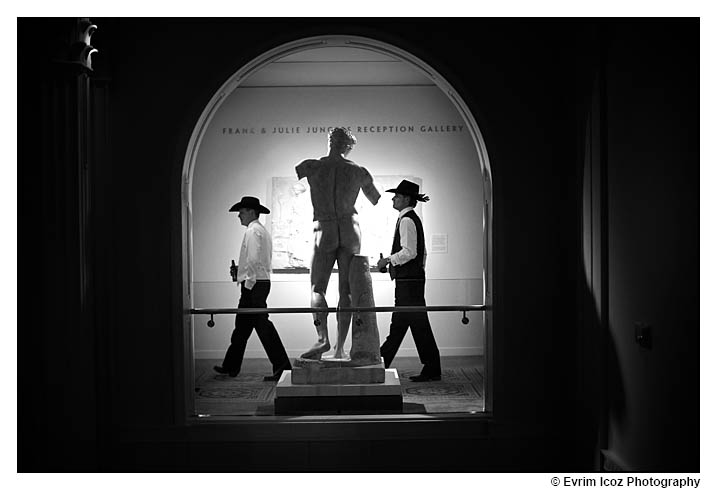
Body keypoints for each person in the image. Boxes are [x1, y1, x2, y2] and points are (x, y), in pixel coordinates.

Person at [295, 127, 381, 360]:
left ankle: (323, 339)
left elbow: (298, 183)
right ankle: (340, 348)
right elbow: (375, 198)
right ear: (348, 147)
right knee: (347, 291)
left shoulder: (310, 166)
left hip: (325, 227)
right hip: (350, 229)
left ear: (330, 142)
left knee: (317, 288)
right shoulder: (359, 171)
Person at [214, 196, 292, 382]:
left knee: (262, 326)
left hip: (254, 285)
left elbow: (253, 260)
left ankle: (282, 367)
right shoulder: (259, 230)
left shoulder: (253, 231)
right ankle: (230, 365)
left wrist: (247, 284)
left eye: (241, 211)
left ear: (251, 211)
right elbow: (254, 260)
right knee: (242, 327)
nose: (239, 215)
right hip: (257, 283)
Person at [376, 180, 442, 382]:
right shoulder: (409, 219)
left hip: (409, 284)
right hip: (411, 282)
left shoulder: (406, 220)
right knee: (406, 325)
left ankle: (379, 363)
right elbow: (420, 254)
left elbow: (410, 252)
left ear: (406, 198)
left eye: (396, 196)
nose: (393, 199)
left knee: (406, 325)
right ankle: (382, 362)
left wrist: (388, 260)